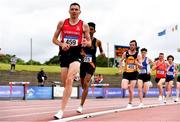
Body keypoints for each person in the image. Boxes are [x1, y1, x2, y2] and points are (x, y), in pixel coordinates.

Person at [52, 3, 91, 119]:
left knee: (69, 80)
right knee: (65, 84)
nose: (74, 11)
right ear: (69, 11)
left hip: (77, 54)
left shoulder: (84, 25)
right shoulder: (62, 23)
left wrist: (86, 43)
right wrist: (61, 43)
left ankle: (61, 111)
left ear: (79, 12)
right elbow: (54, 39)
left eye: (76, 9)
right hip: (64, 54)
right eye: (72, 9)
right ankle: (75, 75)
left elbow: (89, 42)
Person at [76, 22, 105, 113]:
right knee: (83, 85)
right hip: (83, 64)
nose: (90, 31)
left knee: (86, 81)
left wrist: (102, 53)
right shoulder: (81, 39)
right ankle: (85, 93)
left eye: (91, 29)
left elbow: (101, 50)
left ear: (94, 31)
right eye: (88, 29)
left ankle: (81, 105)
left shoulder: (97, 41)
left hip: (91, 64)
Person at [119, 40, 141, 108]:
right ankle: (128, 86)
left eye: (133, 45)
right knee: (124, 87)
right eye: (130, 45)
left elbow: (140, 65)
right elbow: (120, 60)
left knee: (131, 90)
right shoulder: (125, 53)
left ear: (135, 46)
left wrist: (136, 63)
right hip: (126, 72)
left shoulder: (138, 54)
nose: (131, 46)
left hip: (134, 73)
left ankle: (130, 103)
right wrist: (120, 69)